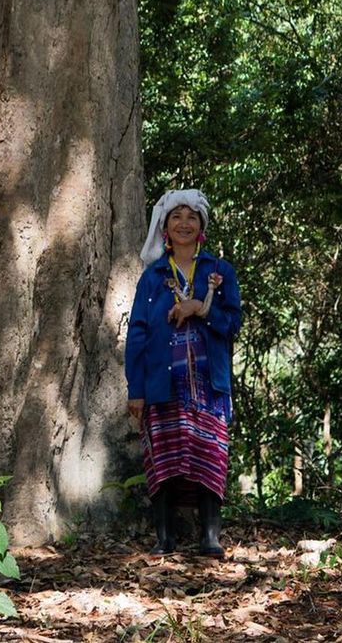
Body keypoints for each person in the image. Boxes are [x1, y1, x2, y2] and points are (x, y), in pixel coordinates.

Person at [125, 188, 242, 557]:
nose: (184, 223)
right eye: (176, 216)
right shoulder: (152, 277)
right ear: (164, 226)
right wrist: (136, 389)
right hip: (163, 383)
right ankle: (165, 539)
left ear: (202, 226)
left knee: (209, 454)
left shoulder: (219, 272)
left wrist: (200, 308)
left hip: (209, 385)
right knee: (164, 458)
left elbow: (232, 324)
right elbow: (138, 334)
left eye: (192, 217)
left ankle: (210, 538)